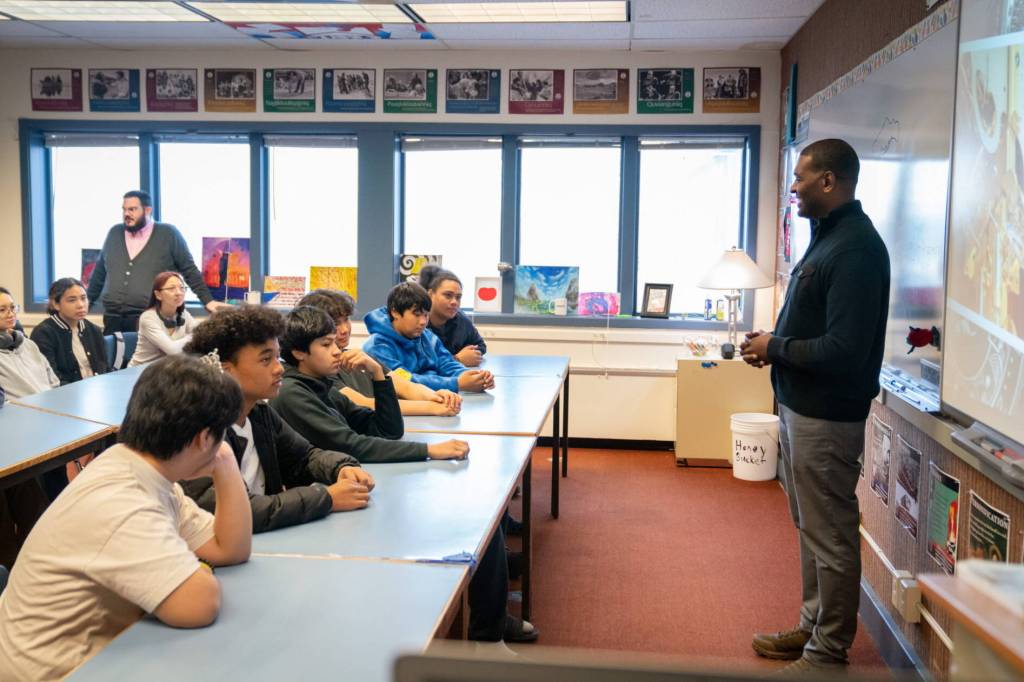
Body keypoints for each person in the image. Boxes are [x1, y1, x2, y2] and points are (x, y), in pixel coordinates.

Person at [0, 355, 253, 680]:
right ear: (205, 437)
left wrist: (226, 461)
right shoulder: (122, 499)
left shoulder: (142, 470)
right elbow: (198, 605)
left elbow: (230, 548)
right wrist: (196, 571)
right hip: (54, 672)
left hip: (90, 657)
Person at [740, 139, 890, 674]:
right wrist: (772, 344)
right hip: (802, 407)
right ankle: (811, 626)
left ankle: (827, 653)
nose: (793, 189)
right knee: (811, 526)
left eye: (800, 179)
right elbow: (815, 327)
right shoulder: (827, 238)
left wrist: (775, 348)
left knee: (829, 532)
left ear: (829, 181)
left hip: (828, 417)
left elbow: (844, 351)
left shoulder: (855, 249)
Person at [181, 305, 376, 533]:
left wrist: (341, 468)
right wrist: (326, 498)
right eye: (266, 360)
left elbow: (305, 457)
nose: (279, 369)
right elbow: (237, 510)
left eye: (277, 357)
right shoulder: (198, 433)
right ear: (225, 370)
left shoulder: (258, 414)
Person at [272, 306, 470, 463]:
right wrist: (429, 450)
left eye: (334, 343)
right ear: (299, 352)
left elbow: (389, 431)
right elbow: (353, 445)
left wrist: (377, 374)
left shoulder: (323, 388)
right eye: (326, 345)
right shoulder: (292, 393)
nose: (336, 351)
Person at [297, 288, 462, 416]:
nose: (344, 329)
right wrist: (432, 407)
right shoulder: (320, 369)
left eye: (346, 319)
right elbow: (363, 403)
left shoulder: (358, 356)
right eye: (335, 323)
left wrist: (438, 396)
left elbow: (404, 386)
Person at [86, 190, 227, 335]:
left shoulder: (168, 234)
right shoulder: (115, 233)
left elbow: (189, 270)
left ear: (147, 210)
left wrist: (207, 301)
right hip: (113, 319)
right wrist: (87, 302)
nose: (126, 214)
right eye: (124, 209)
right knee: (113, 356)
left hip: (151, 319)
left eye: (132, 209)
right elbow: (100, 272)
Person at [363, 282, 494, 393]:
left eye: (426, 315)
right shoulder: (377, 347)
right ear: (395, 312)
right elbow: (404, 381)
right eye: (416, 314)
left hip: (434, 401)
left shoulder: (427, 336)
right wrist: (457, 383)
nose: (422, 322)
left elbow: (446, 363)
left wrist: (473, 376)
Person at [31, 277, 110, 385]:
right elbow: (50, 379)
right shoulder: (43, 333)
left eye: (83, 298)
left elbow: (106, 369)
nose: (81, 305)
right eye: (72, 300)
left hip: (96, 390)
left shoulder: (94, 330)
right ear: (56, 304)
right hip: (65, 395)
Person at [419, 265, 487, 367]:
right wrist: (456, 359)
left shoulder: (461, 320)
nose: (454, 302)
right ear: (430, 294)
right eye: (448, 295)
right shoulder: (418, 323)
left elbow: (481, 345)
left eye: (458, 297)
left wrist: (469, 353)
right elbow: (419, 363)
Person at [129, 271, 199, 367]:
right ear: (158, 295)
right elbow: (172, 350)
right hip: (141, 372)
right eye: (171, 288)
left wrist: (196, 335)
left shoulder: (183, 314)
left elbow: (201, 333)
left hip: (166, 371)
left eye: (182, 288)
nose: (179, 293)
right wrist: (192, 336)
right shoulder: (148, 317)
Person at [0, 287, 58, 398]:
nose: (11, 314)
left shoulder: (29, 345)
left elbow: (54, 382)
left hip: (50, 406)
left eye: (13, 308)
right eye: (2, 310)